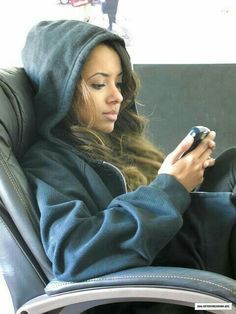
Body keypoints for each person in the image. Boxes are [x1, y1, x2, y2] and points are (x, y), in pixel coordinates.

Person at [21, 20, 236, 313]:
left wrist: (184, 177)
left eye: (119, 82)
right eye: (99, 84)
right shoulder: (49, 162)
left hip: (190, 247)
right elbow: (73, 252)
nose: (117, 96)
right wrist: (169, 189)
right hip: (173, 279)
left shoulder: (114, 145)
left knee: (230, 165)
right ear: (62, 89)